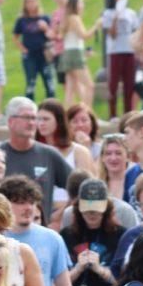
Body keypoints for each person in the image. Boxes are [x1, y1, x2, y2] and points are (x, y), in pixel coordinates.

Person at [0, 96, 72, 223]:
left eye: (34, 118)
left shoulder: (49, 154)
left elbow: (78, 187)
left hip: (41, 231)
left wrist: (58, 216)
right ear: (11, 121)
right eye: (26, 117)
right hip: (6, 232)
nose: (32, 123)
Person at [36, 98, 96, 229]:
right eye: (38, 119)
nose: (41, 123)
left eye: (46, 119)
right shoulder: (35, 152)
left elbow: (87, 189)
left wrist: (60, 214)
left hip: (72, 214)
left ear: (58, 120)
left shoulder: (79, 152)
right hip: (39, 215)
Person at [61, 168, 139, 231]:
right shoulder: (69, 215)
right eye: (86, 208)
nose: (91, 213)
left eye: (96, 207)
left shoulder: (124, 211)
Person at [102, 0, 139, 118]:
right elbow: (111, 34)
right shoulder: (108, 13)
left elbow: (136, 32)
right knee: (113, 85)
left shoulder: (131, 13)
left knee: (129, 85)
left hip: (129, 51)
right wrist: (116, 18)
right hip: (115, 52)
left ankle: (127, 114)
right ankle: (113, 114)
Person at [13, 0, 55, 101]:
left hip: (44, 53)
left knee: (49, 81)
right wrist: (23, 49)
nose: (31, 4)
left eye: (33, 1)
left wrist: (46, 28)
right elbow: (15, 37)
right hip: (30, 54)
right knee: (30, 81)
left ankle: (51, 105)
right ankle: (29, 106)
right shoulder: (22, 20)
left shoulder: (44, 18)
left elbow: (52, 36)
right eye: (28, 2)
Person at [59, 0, 99, 107]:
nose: (83, 5)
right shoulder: (75, 18)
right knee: (89, 85)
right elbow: (84, 36)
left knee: (70, 87)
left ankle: (68, 113)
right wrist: (96, 26)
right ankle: (87, 111)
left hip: (68, 53)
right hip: (75, 53)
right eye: (81, 3)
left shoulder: (66, 19)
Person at [49, 0, 69, 85]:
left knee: (71, 80)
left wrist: (55, 33)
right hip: (58, 50)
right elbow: (52, 32)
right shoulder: (55, 13)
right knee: (64, 82)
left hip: (67, 49)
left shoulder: (69, 10)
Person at [99, 132, 131, 198]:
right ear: (102, 157)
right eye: (108, 153)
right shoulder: (97, 186)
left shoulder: (134, 183)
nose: (113, 158)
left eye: (118, 153)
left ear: (128, 156)